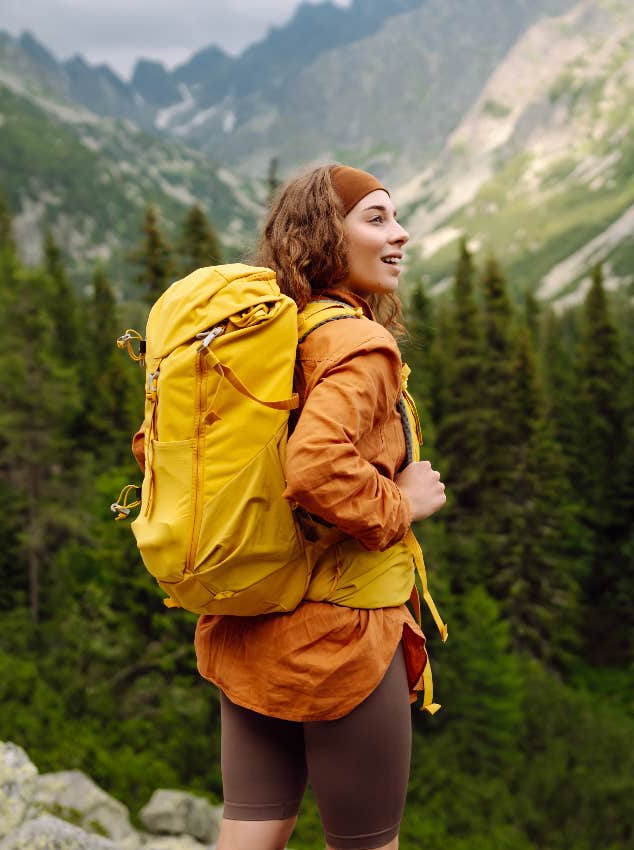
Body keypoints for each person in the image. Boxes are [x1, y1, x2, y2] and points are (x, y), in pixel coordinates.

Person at [193, 164, 448, 850]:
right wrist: (401, 502)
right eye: (376, 219)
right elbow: (314, 467)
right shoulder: (358, 344)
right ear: (323, 237)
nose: (400, 234)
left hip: (252, 618)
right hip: (343, 638)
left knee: (253, 826)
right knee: (367, 842)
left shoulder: (270, 334)